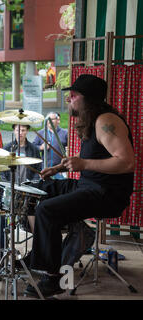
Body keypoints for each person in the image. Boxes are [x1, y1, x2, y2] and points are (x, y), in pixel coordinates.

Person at [24, 74, 135, 298]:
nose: (69, 100)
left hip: (107, 194)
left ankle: (53, 278)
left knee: (47, 210)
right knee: (32, 192)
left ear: (88, 99)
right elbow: (96, 156)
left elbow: (126, 161)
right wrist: (61, 168)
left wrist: (83, 163)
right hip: (88, 186)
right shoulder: (93, 120)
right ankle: (44, 251)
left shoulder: (106, 121)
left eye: (73, 96)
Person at [33, 112, 68, 179]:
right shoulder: (41, 133)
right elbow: (33, 147)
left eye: (52, 119)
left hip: (59, 170)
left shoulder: (65, 133)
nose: (49, 121)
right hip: (45, 169)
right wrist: (41, 147)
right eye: (48, 119)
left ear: (58, 120)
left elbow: (70, 149)